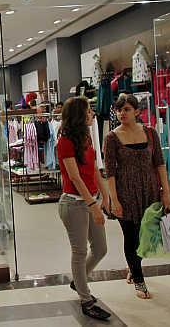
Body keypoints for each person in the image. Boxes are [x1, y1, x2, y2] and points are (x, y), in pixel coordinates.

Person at [104, 93, 170, 299]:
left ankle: (133, 267)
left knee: (145, 236)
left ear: (137, 112)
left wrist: (166, 193)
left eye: (126, 109)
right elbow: (110, 171)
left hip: (149, 192)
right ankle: (139, 280)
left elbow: (159, 163)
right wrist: (113, 199)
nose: (121, 113)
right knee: (131, 237)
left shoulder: (150, 133)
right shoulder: (112, 137)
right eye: (119, 109)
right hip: (125, 193)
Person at [57, 97, 111, 321]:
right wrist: (93, 206)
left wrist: (106, 196)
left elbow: (94, 171)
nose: (92, 114)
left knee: (100, 248)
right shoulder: (65, 141)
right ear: (80, 115)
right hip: (74, 203)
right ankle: (85, 300)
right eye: (89, 111)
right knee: (79, 252)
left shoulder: (87, 138)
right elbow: (75, 177)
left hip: (90, 200)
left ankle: (78, 281)